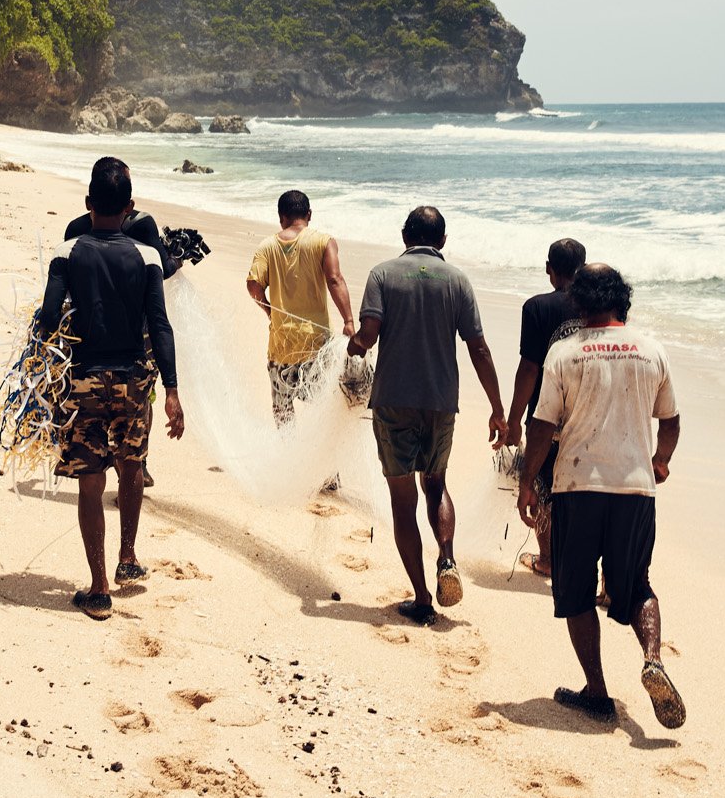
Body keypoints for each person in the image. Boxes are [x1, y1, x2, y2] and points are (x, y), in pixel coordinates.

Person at [518, 263, 684, 728]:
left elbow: (543, 426)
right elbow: (669, 419)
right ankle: (652, 659)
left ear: (578, 301)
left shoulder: (565, 353)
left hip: (577, 486)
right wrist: (661, 460)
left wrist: (529, 480)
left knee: (576, 591)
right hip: (635, 489)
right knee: (636, 585)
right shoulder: (652, 351)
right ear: (622, 299)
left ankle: (596, 692)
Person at [37, 159, 184, 621]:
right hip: (133, 380)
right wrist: (174, 391)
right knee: (132, 466)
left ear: (87, 205)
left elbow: (46, 320)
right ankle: (127, 557)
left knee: (90, 481)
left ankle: (99, 588)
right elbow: (159, 325)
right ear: (130, 208)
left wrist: (39, 365)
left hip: (82, 380)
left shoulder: (67, 252)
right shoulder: (147, 258)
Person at [347, 206, 504, 626]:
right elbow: (479, 348)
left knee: (404, 502)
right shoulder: (457, 280)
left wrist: (355, 345)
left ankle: (421, 599)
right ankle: (447, 558)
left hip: (393, 399)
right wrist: (498, 408)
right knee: (436, 484)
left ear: (404, 236)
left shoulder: (382, 274)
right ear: (443, 241)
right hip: (440, 400)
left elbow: (369, 332)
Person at [64, 157, 175, 486]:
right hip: (137, 338)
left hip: (87, 337)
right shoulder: (142, 224)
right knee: (142, 400)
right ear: (128, 200)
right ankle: (138, 460)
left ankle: (101, 461)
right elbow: (162, 270)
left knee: (94, 404)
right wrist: (177, 260)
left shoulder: (75, 228)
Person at [503, 238, 588, 576]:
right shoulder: (599, 308)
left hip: (545, 413)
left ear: (549, 269)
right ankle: (581, 560)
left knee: (542, 483)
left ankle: (549, 559)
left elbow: (529, 368)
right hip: (590, 412)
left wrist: (512, 418)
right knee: (583, 487)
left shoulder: (537, 307)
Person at [246, 190, 356, 424]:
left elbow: (254, 286)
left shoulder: (267, 246)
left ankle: (289, 452)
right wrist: (348, 321)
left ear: (280, 217)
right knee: (326, 403)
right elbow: (334, 279)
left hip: (281, 345)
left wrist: (269, 311)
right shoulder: (323, 241)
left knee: (283, 410)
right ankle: (319, 453)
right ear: (309, 214)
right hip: (318, 345)